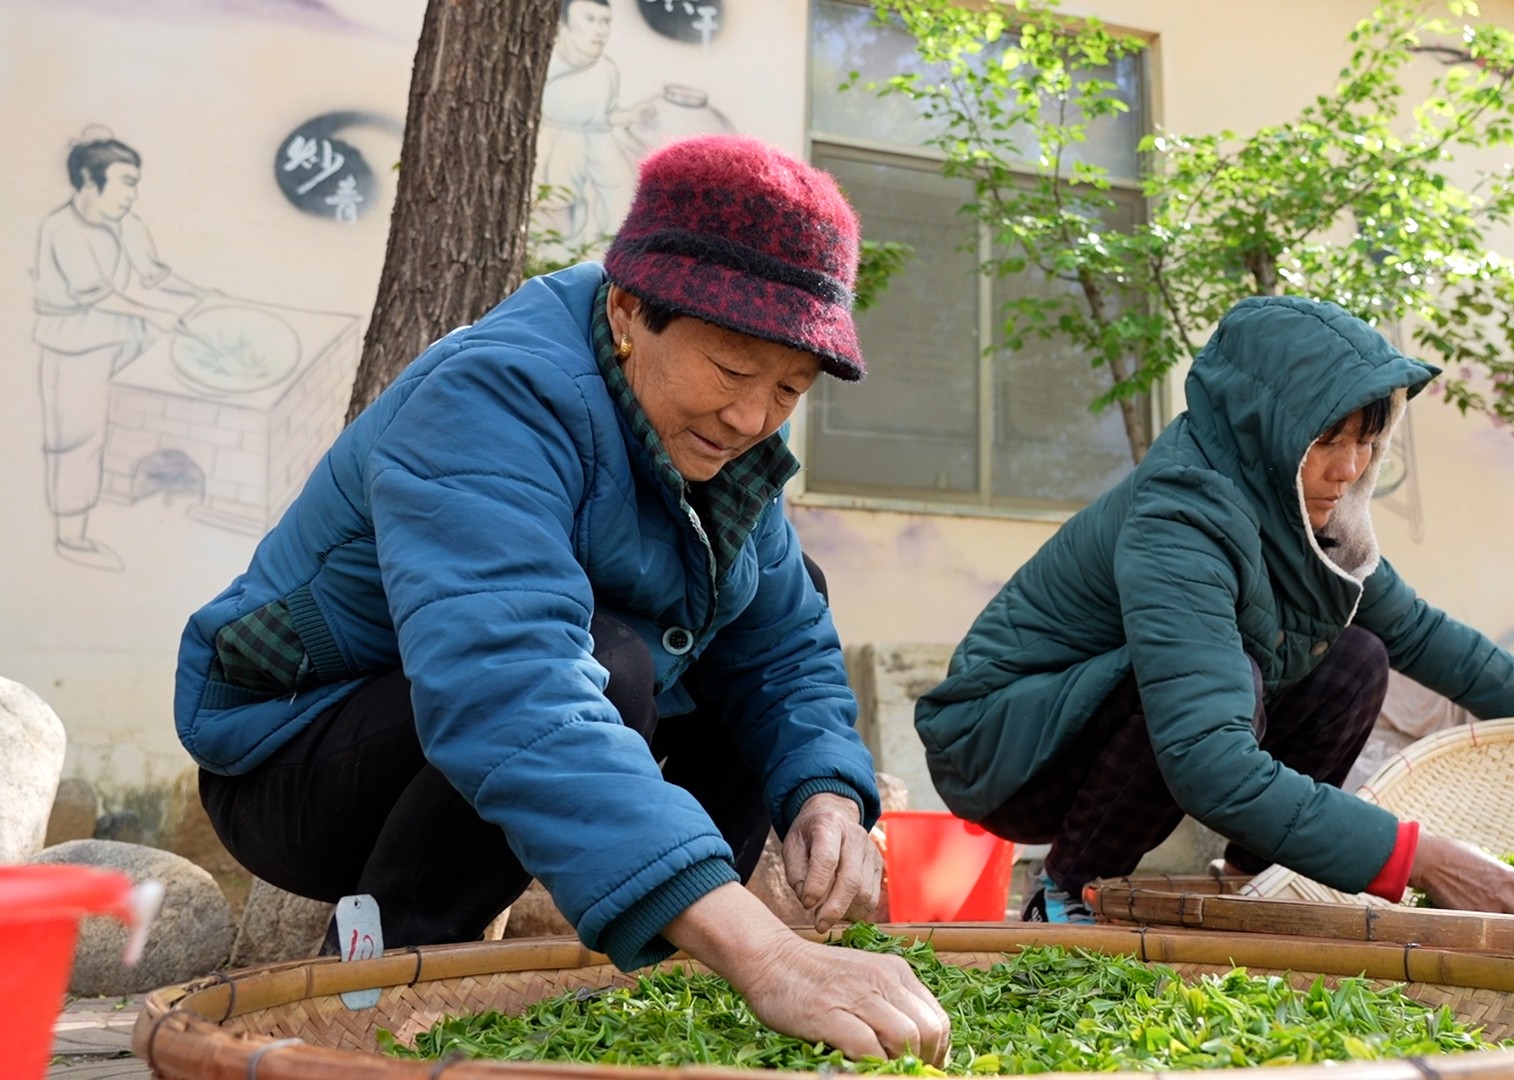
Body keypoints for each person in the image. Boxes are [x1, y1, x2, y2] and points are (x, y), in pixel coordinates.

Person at [174, 135, 948, 1063]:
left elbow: (784, 641)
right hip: (298, 753)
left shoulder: (719, 445)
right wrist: (770, 951)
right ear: (629, 311)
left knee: (744, 610)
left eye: (788, 390)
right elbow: (509, 684)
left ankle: (663, 975)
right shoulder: (490, 394)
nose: (752, 418)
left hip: (493, 717)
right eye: (733, 372)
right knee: (606, 661)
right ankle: (383, 991)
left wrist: (827, 792)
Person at [915, 296, 1514, 924]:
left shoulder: (1306, 510)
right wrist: (1420, 860)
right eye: (1328, 440)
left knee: (1358, 659)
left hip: (1089, 718)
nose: (1351, 466)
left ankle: (1244, 878)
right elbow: (1207, 759)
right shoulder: (1180, 515)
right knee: (1208, 678)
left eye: (1368, 439)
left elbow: (1414, 629)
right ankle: (1068, 896)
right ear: (1267, 430)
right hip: (1007, 745)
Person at [33, 129, 209, 571]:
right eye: (125, 182)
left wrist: (206, 296)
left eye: (136, 183)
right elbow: (96, 294)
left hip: (122, 338)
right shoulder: (61, 229)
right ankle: (71, 535)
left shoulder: (127, 224)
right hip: (73, 344)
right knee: (75, 438)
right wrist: (155, 316)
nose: (132, 194)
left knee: (129, 426)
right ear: (90, 184)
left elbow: (153, 275)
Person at [537, 0, 640, 250]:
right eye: (590, 19)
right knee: (559, 219)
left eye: (605, 21)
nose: (600, 30)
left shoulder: (607, 70)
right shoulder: (545, 65)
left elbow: (604, 116)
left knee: (622, 196)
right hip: (558, 145)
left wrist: (629, 118)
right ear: (565, 24)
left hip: (598, 140)